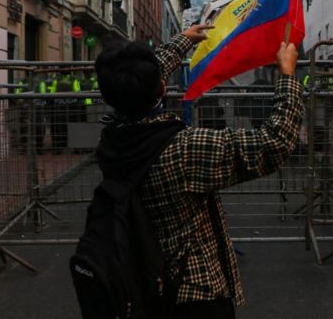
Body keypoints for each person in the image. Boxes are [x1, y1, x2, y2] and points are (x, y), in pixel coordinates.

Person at [93, 24, 304, 318]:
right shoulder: (185, 148)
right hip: (195, 293)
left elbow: (147, 79)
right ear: (163, 89)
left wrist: (183, 41)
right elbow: (275, 142)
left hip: (144, 283)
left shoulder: (112, 137)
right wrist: (287, 77)